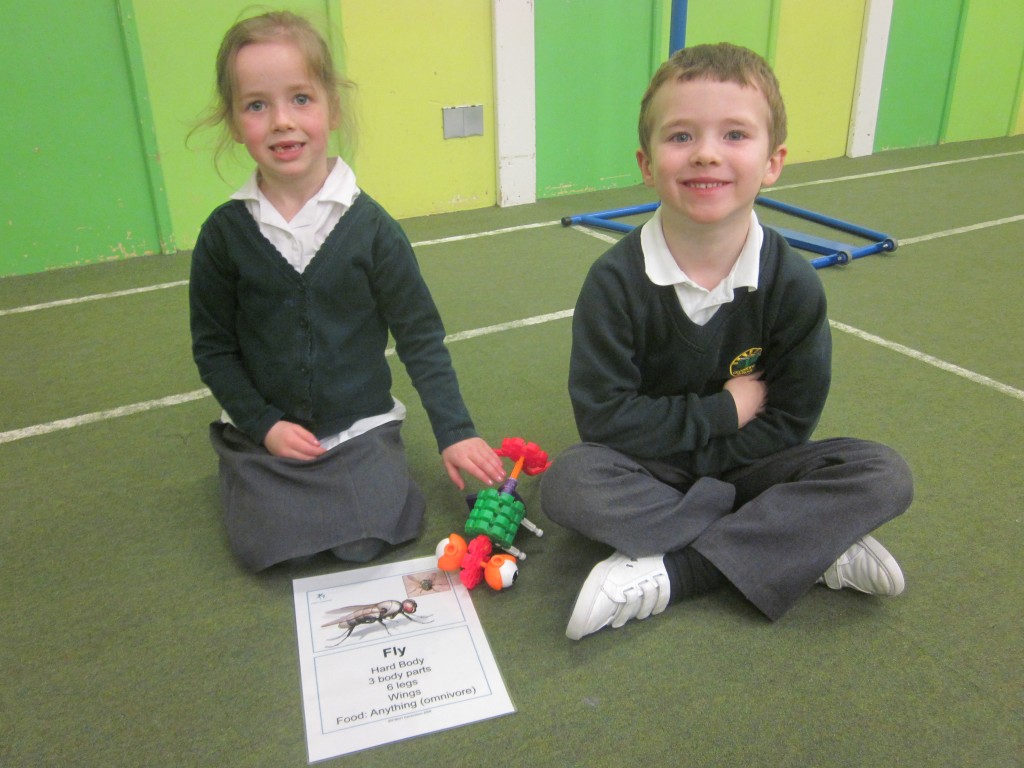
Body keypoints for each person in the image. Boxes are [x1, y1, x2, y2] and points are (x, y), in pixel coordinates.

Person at [540, 43, 913, 640]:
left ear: (773, 161)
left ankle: (682, 570)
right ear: (646, 163)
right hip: (649, 468)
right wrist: (723, 412)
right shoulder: (614, 282)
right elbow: (604, 420)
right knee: (569, 484)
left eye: (735, 134)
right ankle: (800, 541)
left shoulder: (792, 283)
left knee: (883, 474)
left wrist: (711, 470)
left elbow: (791, 420)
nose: (706, 153)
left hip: (754, 463)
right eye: (680, 136)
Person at [189, 11, 505, 571]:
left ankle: (346, 485)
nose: (282, 121)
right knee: (266, 545)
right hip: (266, 434)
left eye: (301, 99)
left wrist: (455, 433)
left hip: (358, 429)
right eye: (257, 105)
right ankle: (260, 478)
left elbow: (420, 339)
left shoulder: (373, 229)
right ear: (235, 122)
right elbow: (214, 350)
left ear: (332, 108)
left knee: (369, 534)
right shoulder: (223, 234)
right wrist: (264, 425)